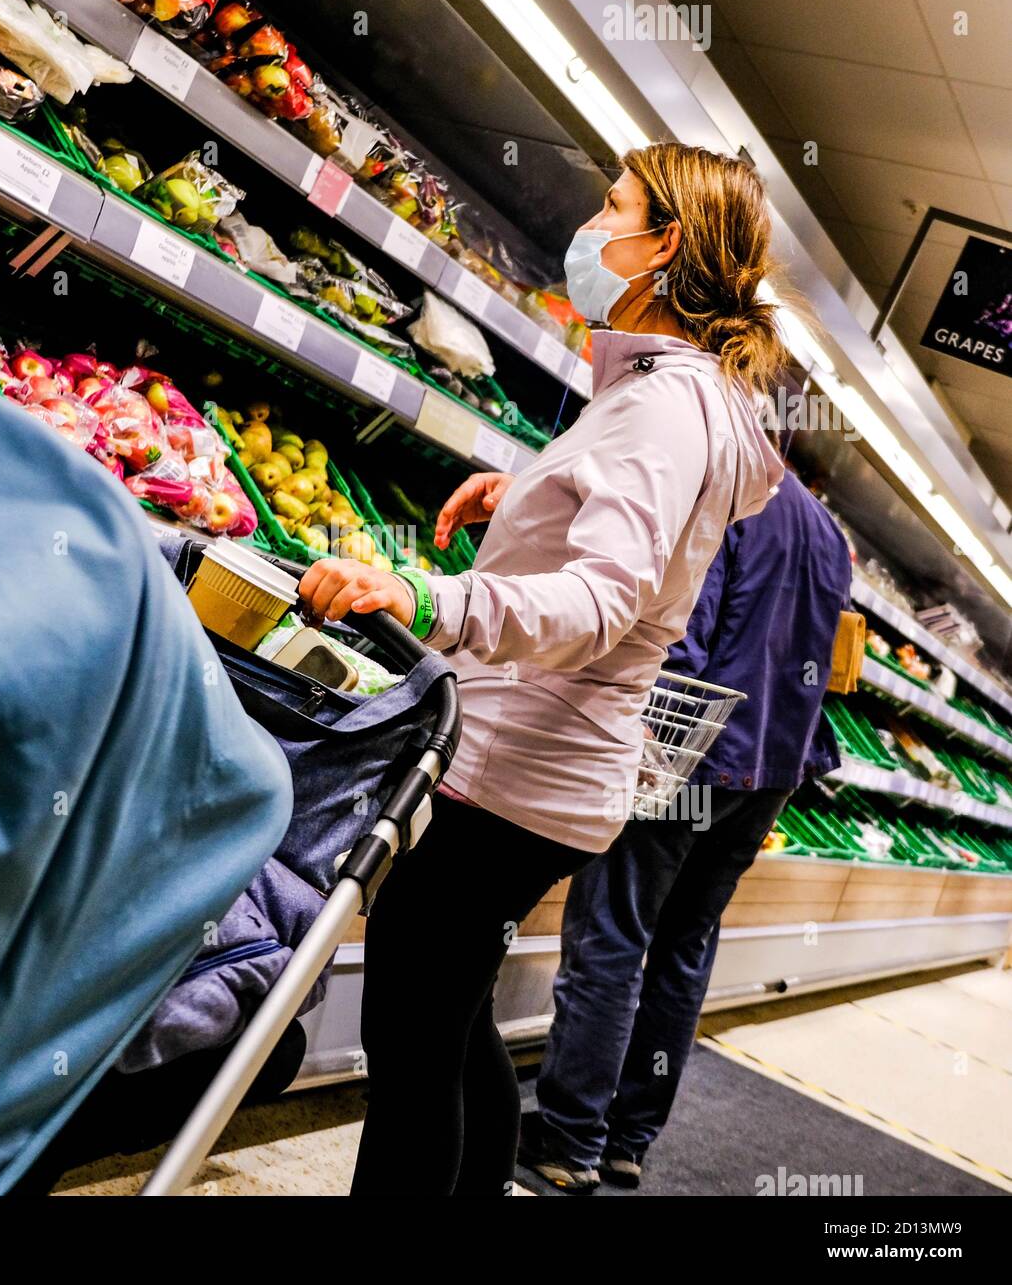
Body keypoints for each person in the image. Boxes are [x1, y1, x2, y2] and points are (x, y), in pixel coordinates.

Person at [298, 142, 788, 1196]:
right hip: (543, 768)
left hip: (524, 767)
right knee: (455, 1015)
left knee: (412, 1044)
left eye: (611, 207)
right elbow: (621, 528)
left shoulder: (661, 407)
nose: (587, 225)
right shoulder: (673, 395)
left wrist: (426, 599)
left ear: (664, 247)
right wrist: (523, 492)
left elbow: (602, 602)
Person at [520, 460, 852, 1193]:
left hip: (691, 755)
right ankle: (628, 1139)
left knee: (611, 935)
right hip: (770, 770)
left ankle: (570, 1138)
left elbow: (686, 643)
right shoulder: (829, 533)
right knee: (684, 948)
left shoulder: (731, 495)